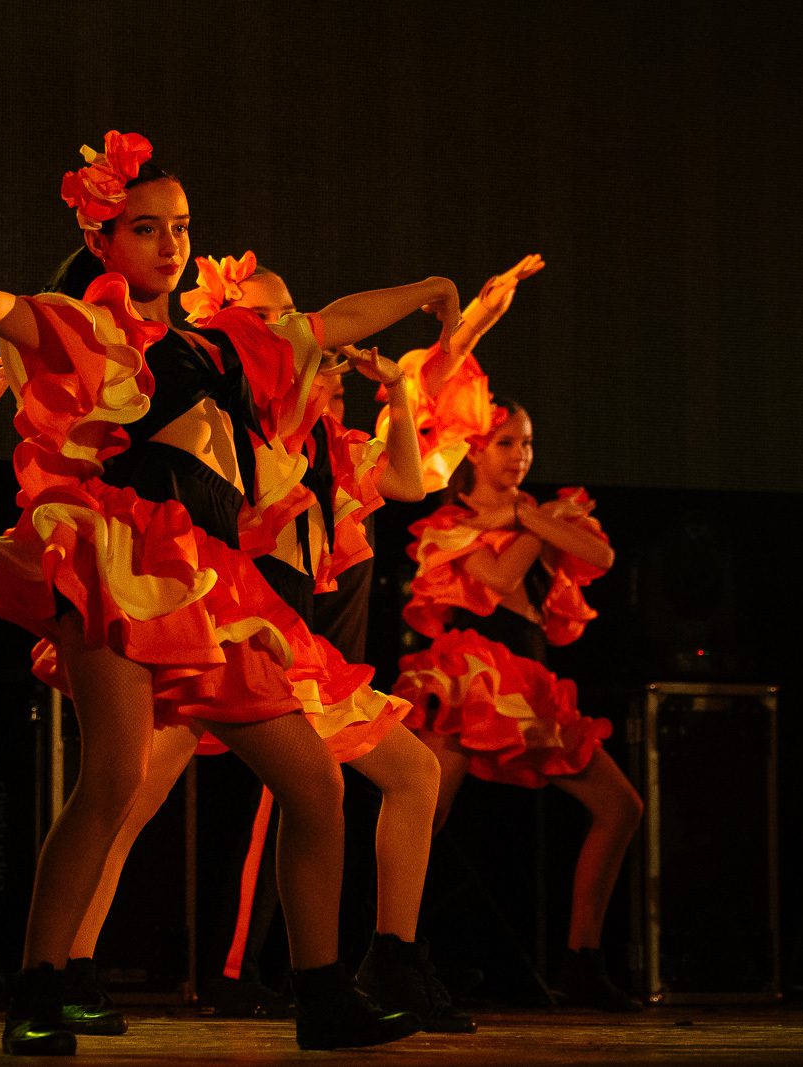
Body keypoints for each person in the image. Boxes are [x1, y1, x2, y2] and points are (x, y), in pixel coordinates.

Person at [0, 130, 463, 1054]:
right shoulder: (86, 327)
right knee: (112, 780)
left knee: (315, 785)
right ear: (101, 240)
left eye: (180, 227)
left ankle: (322, 993)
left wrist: (425, 290)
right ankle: (38, 987)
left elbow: (335, 320)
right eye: (146, 227)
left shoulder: (226, 342)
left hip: (215, 584)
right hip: (118, 558)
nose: (170, 244)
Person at [53, 250, 482, 1034]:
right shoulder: (230, 424)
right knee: (126, 796)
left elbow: (410, 481)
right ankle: (68, 968)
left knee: (406, 773)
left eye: (286, 313)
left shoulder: (320, 442)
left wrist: (398, 387)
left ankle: (386, 960)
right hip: (221, 635)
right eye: (265, 315)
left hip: (284, 646)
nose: (285, 328)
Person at [393, 391, 644, 1012]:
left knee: (621, 806)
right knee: (427, 812)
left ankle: (583, 960)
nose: (520, 455)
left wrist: (527, 516)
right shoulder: (451, 522)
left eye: (527, 443)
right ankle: (393, 956)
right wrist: (533, 519)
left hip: (530, 679)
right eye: (506, 443)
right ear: (474, 450)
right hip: (472, 672)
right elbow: (498, 579)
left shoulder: (536, 512)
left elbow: (602, 555)